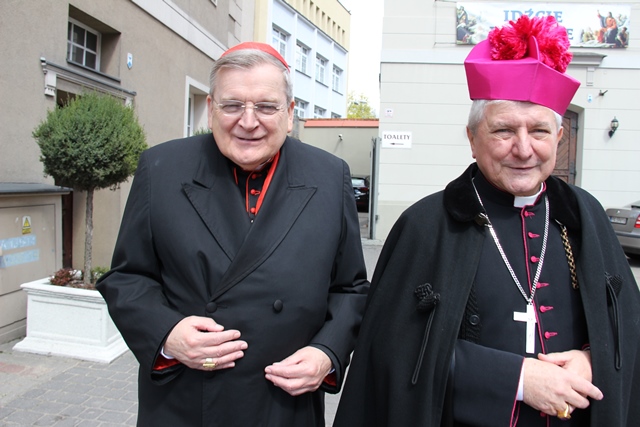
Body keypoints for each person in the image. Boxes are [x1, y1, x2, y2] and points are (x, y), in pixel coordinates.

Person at [334, 15, 640, 427]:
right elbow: (392, 348)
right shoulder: (425, 225)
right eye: (503, 131)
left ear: (558, 139)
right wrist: (516, 380)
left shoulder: (585, 216)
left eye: (539, 131)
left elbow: (626, 325)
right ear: (472, 138)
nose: (524, 149)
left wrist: (592, 358)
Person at [97, 42, 369, 426]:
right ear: (211, 109)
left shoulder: (329, 175)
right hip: (186, 402)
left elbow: (351, 289)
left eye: (267, 106)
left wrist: (327, 352)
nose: (248, 121)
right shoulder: (161, 168)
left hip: (284, 406)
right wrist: (167, 334)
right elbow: (126, 278)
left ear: (290, 113)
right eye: (232, 105)